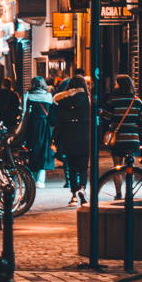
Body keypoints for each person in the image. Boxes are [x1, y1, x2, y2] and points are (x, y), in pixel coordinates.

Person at [101, 73, 142, 199]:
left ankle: (118, 193)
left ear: (119, 85)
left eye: (116, 83)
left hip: (118, 139)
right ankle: (129, 192)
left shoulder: (113, 100)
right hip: (133, 139)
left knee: (117, 167)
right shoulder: (137, 101)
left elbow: (105, 117)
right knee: (130, 167)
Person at [52, 73, 90, 204]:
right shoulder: (87, 99)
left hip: (68, 137)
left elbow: (58, 123)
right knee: (83, 167)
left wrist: (55, 140)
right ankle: (82, 188)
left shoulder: (62, 101)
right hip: (84, 136)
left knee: (72, 167)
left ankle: (73, 195)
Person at [12, 75, 55, 186]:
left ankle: (30, 176)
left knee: (32, 149)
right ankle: (40, 180)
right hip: (45, 126)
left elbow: (23, 112)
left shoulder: (28, 95)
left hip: (32, 125)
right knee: (43, 151)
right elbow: (52, 114)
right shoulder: (49, 96)